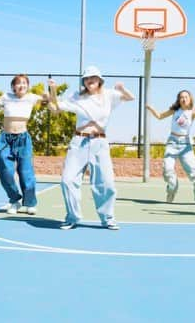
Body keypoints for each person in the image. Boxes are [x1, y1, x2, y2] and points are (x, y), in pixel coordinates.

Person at [47, 65, 135, 230]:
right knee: (67, 180)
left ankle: (107, 218)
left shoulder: (109, 95)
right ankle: (72, 217)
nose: (90, 81)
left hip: (99, 143)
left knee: (106, 184)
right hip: (79, 142)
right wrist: (53, 90)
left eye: (93, 77)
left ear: (100, 80)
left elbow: (131, 98)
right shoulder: (77, 96)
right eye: (86, 78)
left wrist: (123, 88)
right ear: (83, 81)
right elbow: (56, 107)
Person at [0, 74, 47, 215]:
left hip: (23, 139)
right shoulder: (6, 97)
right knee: (5, 172)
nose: (22, 85)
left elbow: (49, 100)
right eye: (18, 83)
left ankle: (30, 203)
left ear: (28, 86)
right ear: (13, 86)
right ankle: (14, 200)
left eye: (24, 83)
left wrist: (51, 91)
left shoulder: (31, 97)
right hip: (5, 139)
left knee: (26, 173)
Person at [145, 90, 195, 205]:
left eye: (186, 97)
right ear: (178, 100)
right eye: (181, 97)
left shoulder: (193, 112)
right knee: (167, 169)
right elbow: (160, 116)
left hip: (185, 144)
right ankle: (172, 189)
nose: (184, 99)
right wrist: (151, 109)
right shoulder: (175, 111)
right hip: (172, 142)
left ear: (190, 99)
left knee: (194, 172)